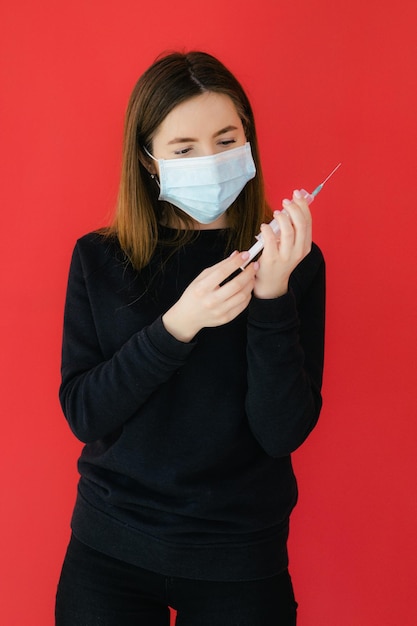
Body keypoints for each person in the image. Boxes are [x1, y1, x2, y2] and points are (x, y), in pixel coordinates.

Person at [55, 50, 325, 626]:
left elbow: (282, 434)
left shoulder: (293, 263)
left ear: (249, 140)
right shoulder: (100, 259)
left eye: (227, 140)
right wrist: (178, 326)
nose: (212, 159)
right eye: (184, 149)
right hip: (110, 554)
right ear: (150, 160)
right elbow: (84, 413)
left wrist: (271, 299)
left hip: (240, 561)